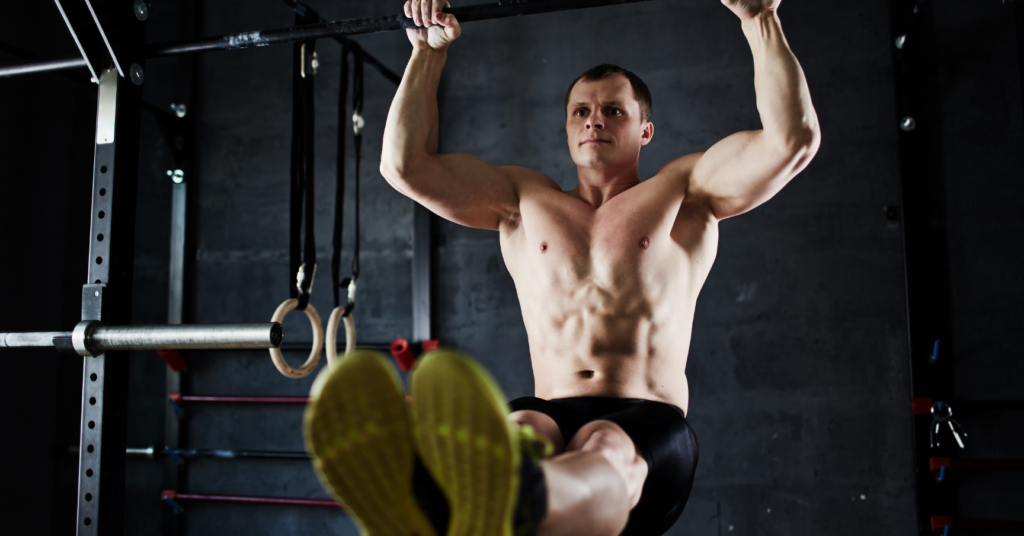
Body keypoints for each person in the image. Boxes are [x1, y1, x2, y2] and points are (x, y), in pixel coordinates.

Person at [304, 0, 820, 535]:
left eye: (614, 110)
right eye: (581, 111)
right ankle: (470, 496)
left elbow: (792, 141)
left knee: (603, 447)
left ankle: (510, 501)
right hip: (549, 408)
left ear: (646, 130)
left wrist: (760, 20)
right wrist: (427, 53)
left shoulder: (685, 193)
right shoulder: (522, 200)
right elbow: (404, 166)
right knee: (519, 427)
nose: (594, 119)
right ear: (567, 128)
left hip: (649, 426)